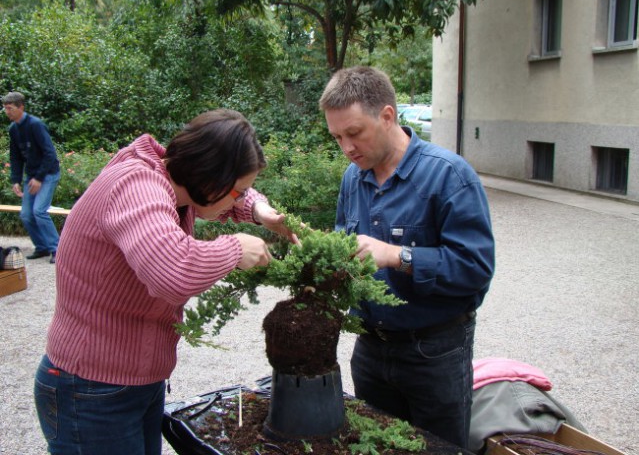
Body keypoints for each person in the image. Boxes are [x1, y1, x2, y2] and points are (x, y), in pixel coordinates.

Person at [33, 109, 298, 455]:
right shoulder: (136, 185)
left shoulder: (176, 184)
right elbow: (172, 272)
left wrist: (260, 212)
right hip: (90, 389)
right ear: (211, 179)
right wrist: (235, 248)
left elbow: (233, 198)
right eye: (238, 190)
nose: (241, 197)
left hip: (136, 383)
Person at [319, 66, 495, 449]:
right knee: (376, 443)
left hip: (434, 352)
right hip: (370, 347)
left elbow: (475, 269)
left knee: (438, 448)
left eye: (354, 133)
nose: (347, 147)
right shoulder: (354, 177)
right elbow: (342, 238)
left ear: (387, 116)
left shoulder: (449, 176)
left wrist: (397, 256)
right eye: (337, 137)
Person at [3, 91, 60, 264]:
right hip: (32, 175)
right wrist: (15, 180)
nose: (7, 112)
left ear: (21, 107)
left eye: (10, 108)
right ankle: (42, 247)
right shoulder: (13, 129)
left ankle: (57, 249)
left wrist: (39, 178)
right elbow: (15, 157)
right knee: (26, 214)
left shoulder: (35, 125)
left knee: (39, 211)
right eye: (5, 108)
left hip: (48, 173)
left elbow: (50, 154)